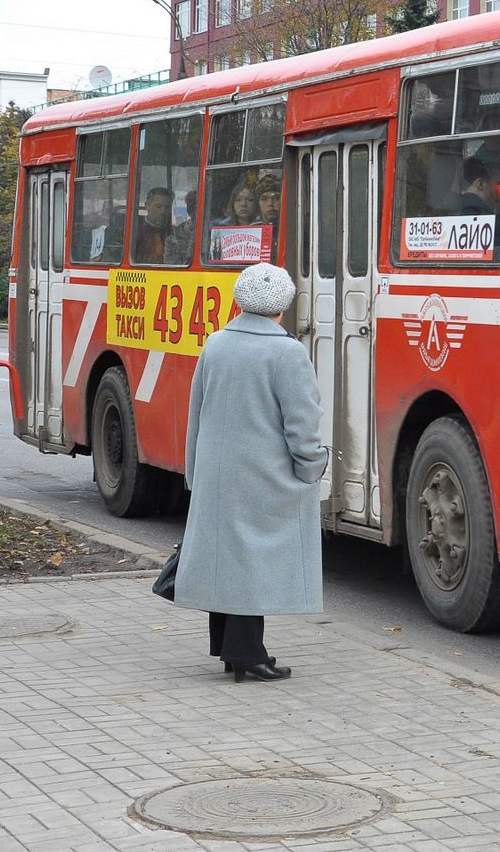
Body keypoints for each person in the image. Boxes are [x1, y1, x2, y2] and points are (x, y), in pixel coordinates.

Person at [175, 262, 328, 683]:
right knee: (251, 562)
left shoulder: (217, 343)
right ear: (284, 306)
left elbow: (197, 412)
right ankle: (247, 654)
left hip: (217, 470)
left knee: (228, 556)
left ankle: (230, 651)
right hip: (263, 473)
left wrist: (194, 472)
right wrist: (312, 467)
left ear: (239, 300)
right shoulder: (287, 352)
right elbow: (302, 423)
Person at [134, 187, 174, 264]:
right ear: (147, 206)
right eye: (158, 206)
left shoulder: (174, 233)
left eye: (167, 207)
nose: (163, 212)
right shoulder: (135, 234)